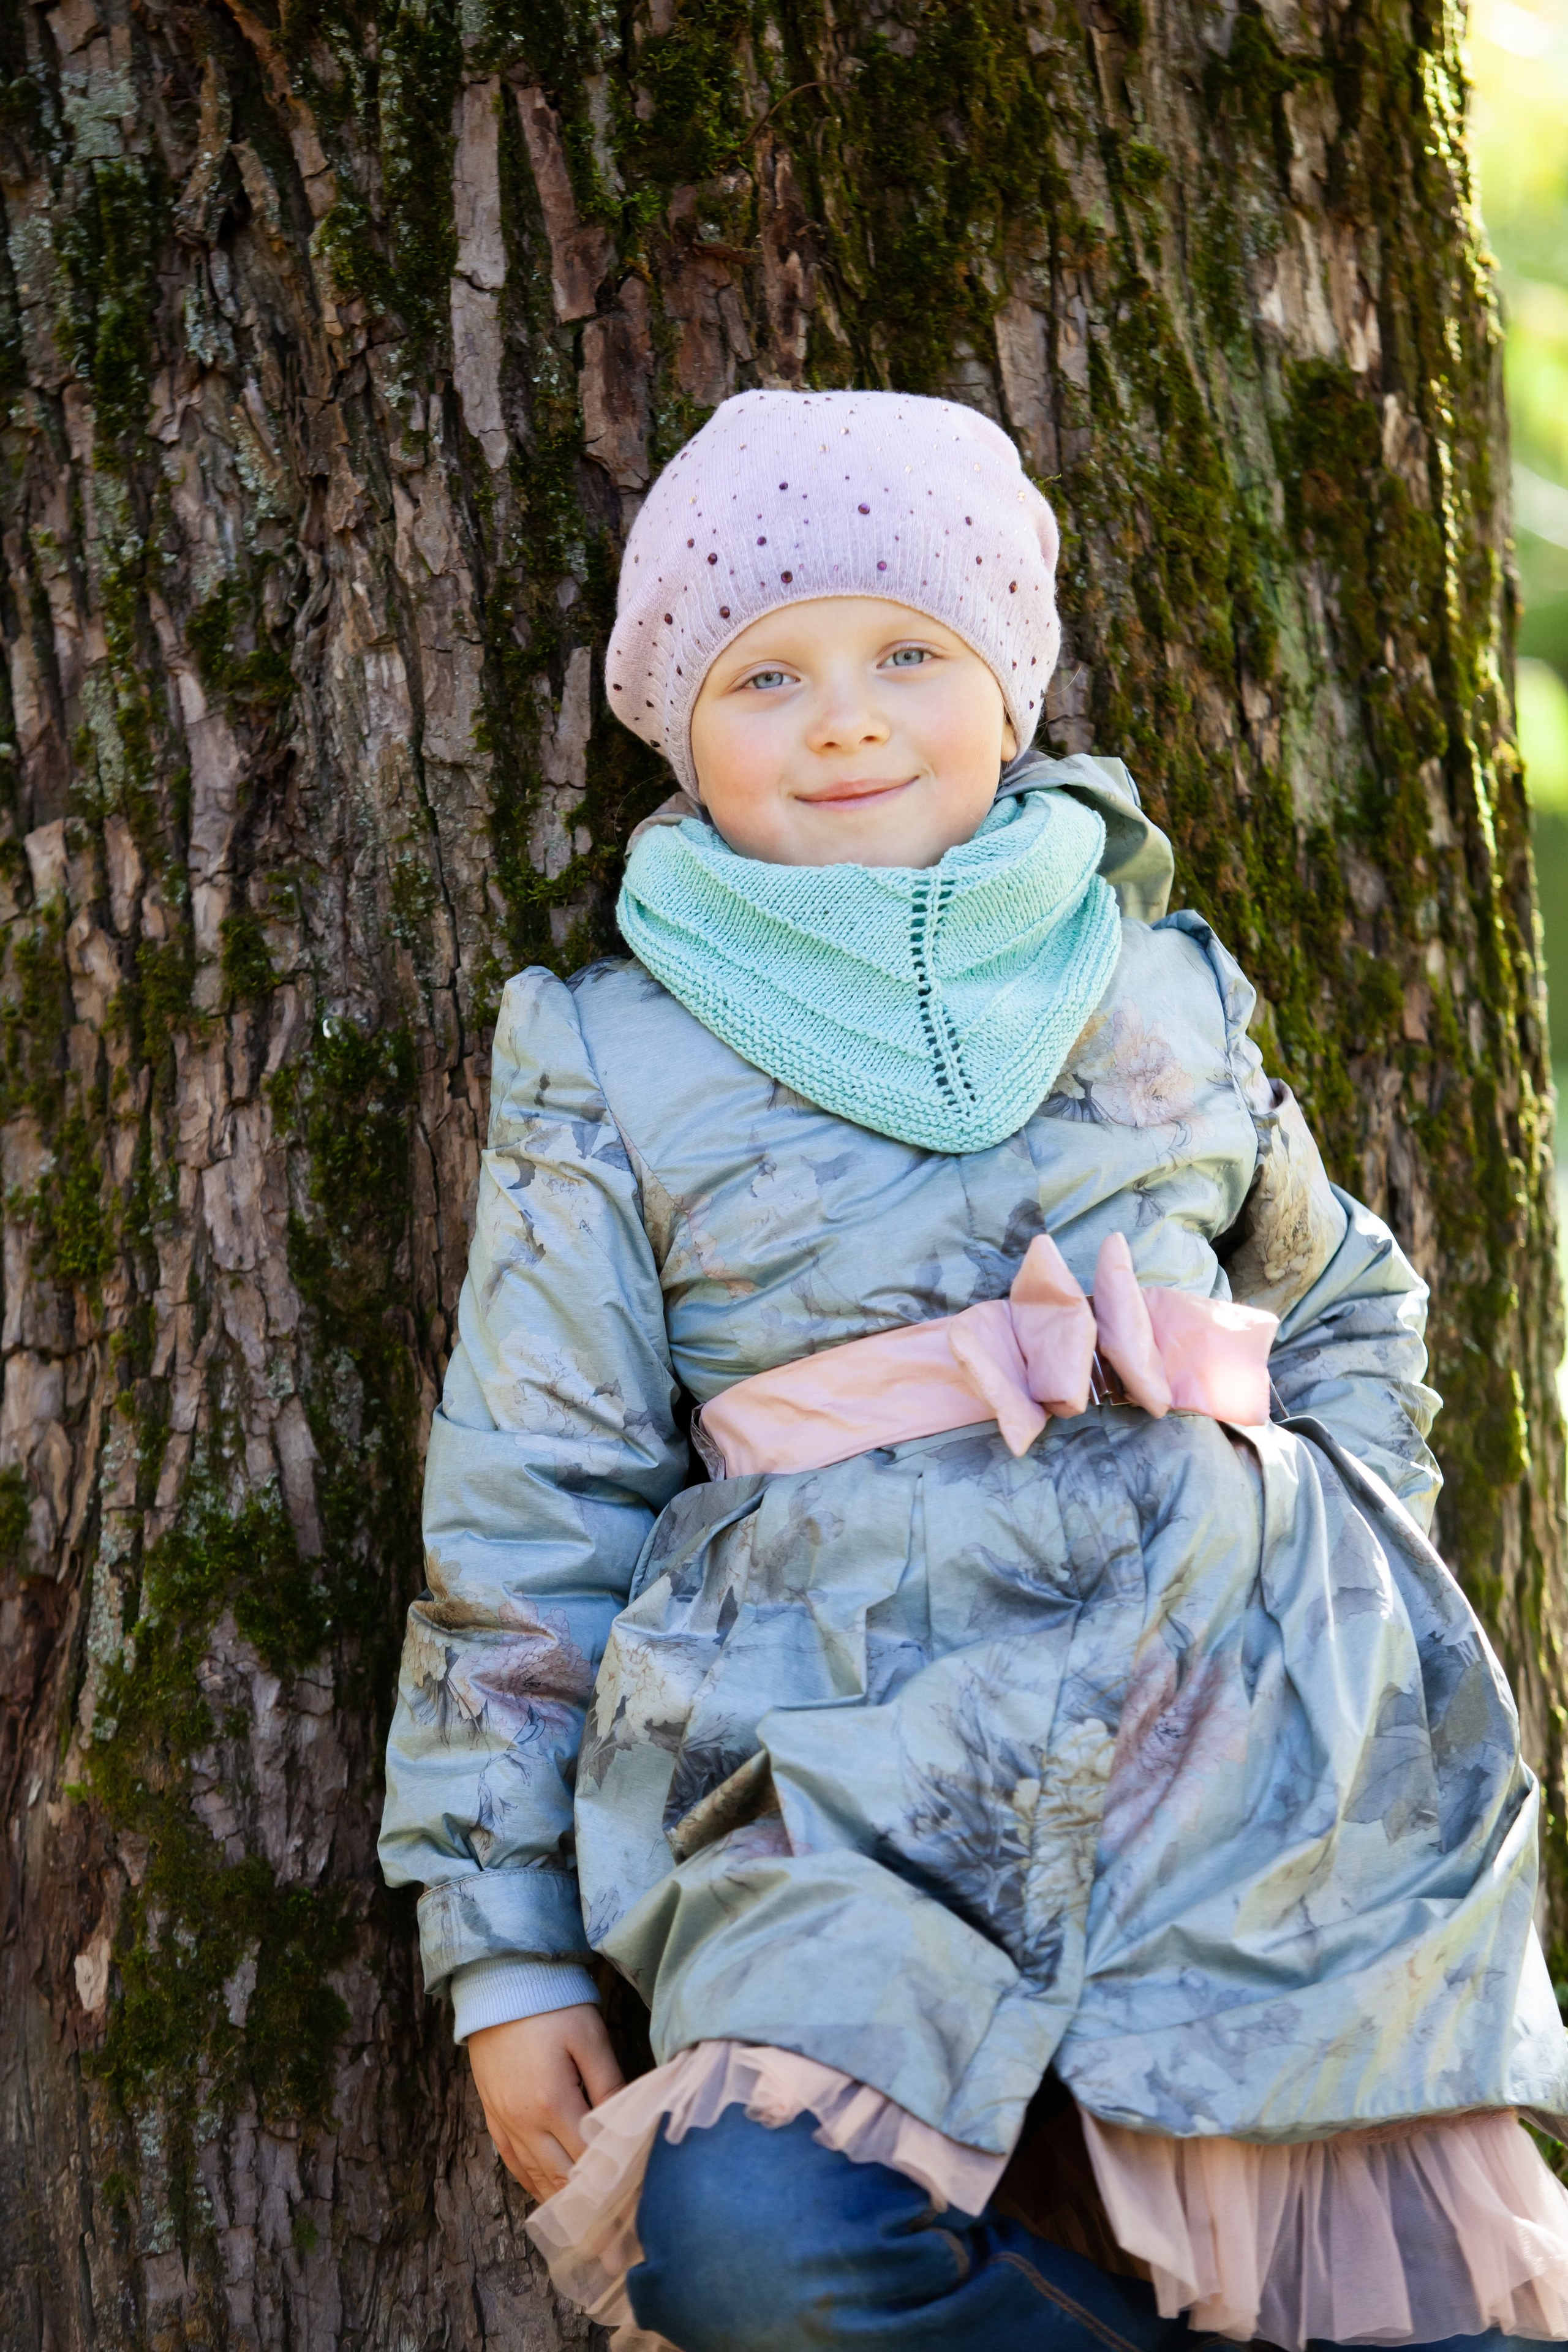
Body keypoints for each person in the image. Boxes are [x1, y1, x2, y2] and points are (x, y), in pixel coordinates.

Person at [379, 389, 1568, 2352]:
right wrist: (503, 1953)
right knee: (758, 2239)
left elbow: (1343, 1300)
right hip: (854, 1787)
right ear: (677, 725)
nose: (845, 717)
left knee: (1413, 2302)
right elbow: (532, 1504)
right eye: (766, 673)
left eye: (908, 652)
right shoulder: (610, 1054)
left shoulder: (1158, 978)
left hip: (1250, 1785)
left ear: (1009, 693)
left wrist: (1339, 1581)